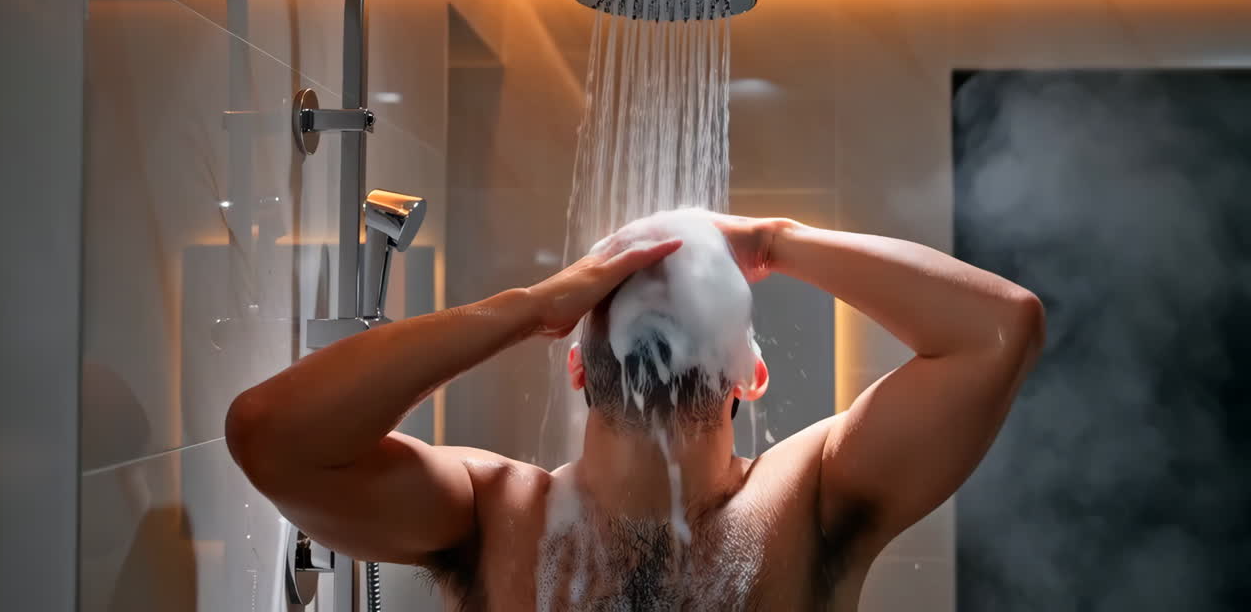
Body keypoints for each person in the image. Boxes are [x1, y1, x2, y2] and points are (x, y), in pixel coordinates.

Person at [226, 212, 1044, 611]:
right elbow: (270, 437)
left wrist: (772, 239)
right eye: (621, 292)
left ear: (750, 374)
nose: (660, 290)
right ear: (576, 360)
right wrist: (530, 304)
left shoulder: (814, 500)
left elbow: (1000, 328)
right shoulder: (488, 512)